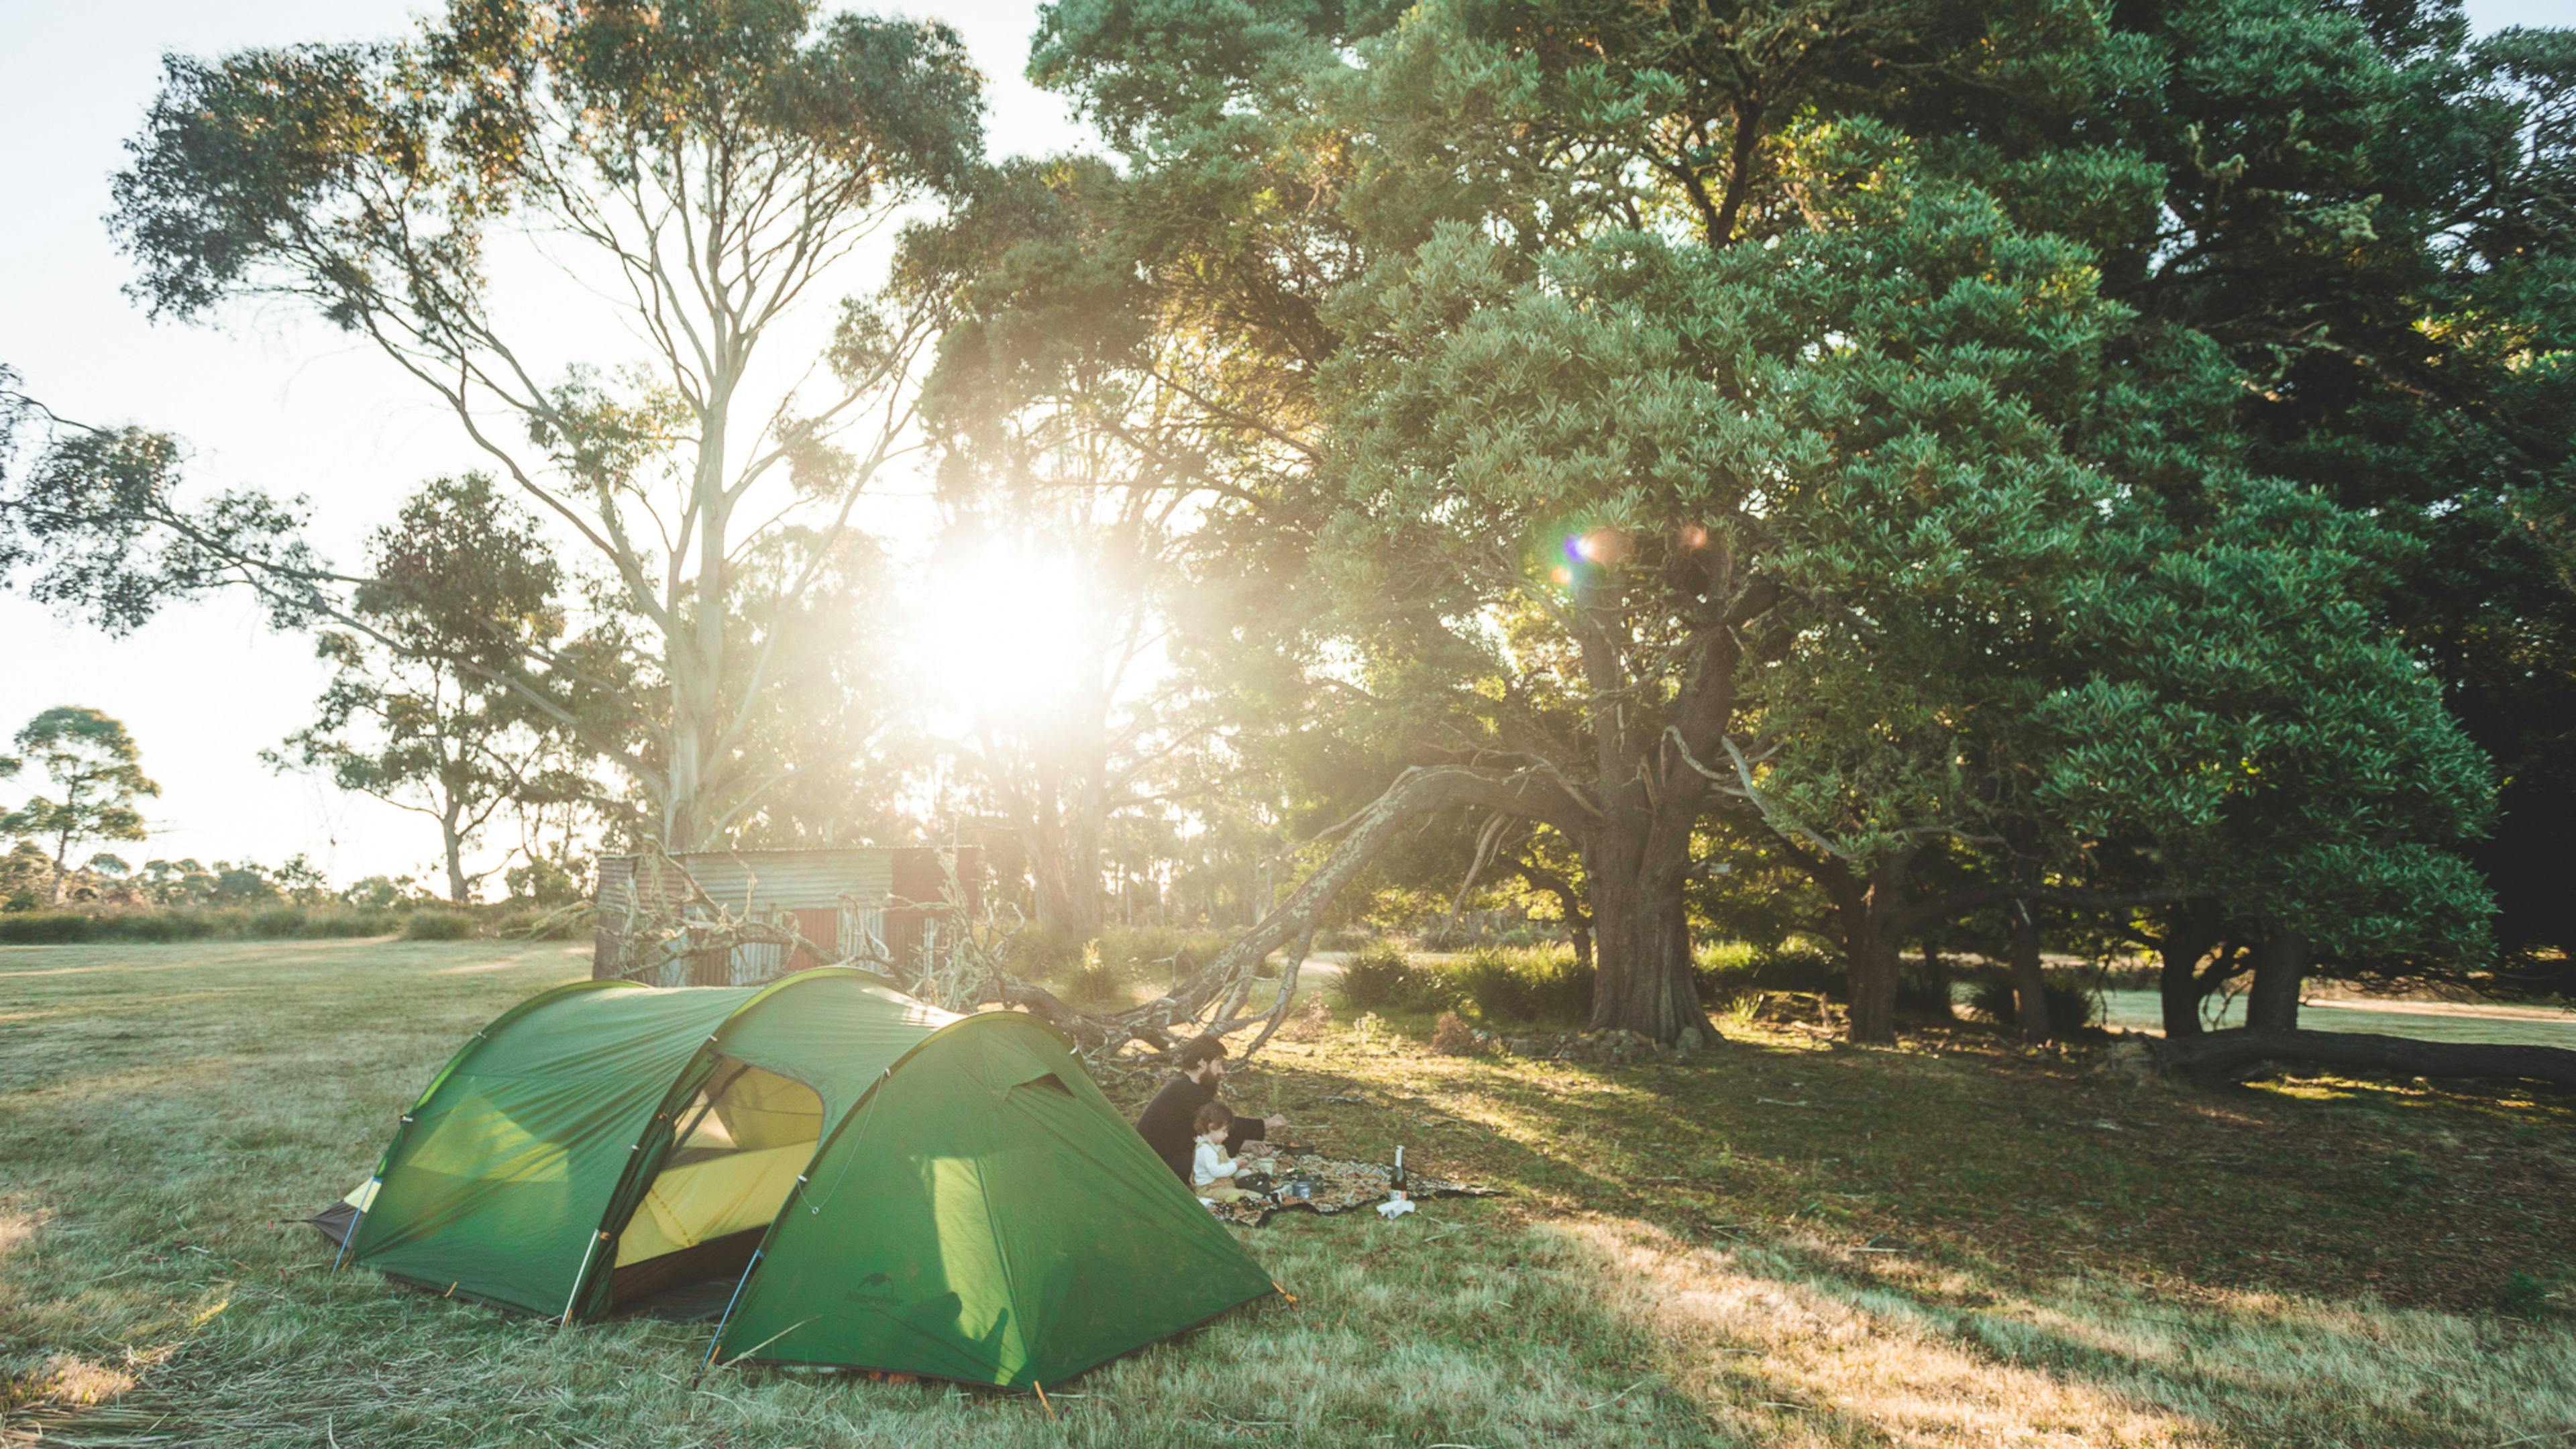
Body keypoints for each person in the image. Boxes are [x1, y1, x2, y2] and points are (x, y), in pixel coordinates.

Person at [1133, 1033, 1289, 1183]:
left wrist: (1247, 1145)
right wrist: (1269, 1123)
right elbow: (1222, 1123)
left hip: (1165, 1157)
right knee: (1217, 1170)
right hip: (1154, 1167)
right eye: (1218, 1064)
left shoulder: (1184, 1083)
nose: (1222, 1071)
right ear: (1202, 1063)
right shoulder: (1185, 1090)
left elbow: (1199, 1133)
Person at [1190, 1102, 1254, 1203]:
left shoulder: (1215, 1146)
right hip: (1210, 1190)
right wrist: (1235, 1165)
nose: (1227, 1135)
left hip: (1220, 1185)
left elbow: (1223, 1162)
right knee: (1244, 1195)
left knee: (1245, 1177)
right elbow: (1216, 1171)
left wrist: (1236, 1162)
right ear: (1211, 1127)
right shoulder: (1205, 1149)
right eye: (1224, 1131)